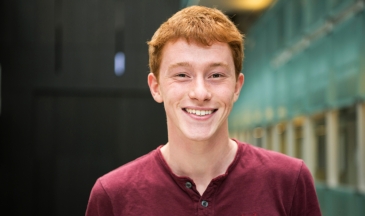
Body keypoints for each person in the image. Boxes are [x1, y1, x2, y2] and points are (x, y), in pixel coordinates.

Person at [85, 5, 322, 216]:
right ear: (156, 87)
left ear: (237, 87)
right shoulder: (113, 196)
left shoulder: (290, 181)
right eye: (182, 75)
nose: (200, 92)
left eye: (216, 75)